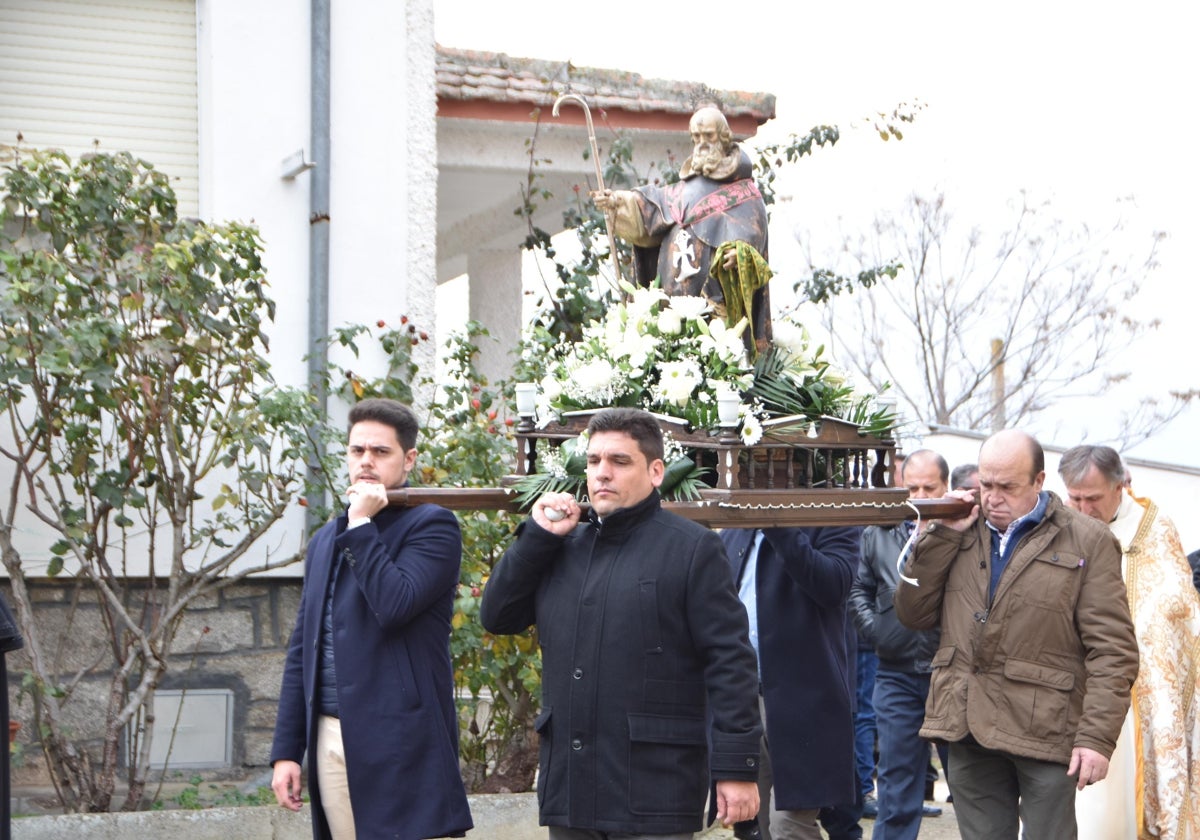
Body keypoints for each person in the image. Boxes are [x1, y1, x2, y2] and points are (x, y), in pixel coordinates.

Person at [479, 407, 762, 839]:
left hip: (655, 788)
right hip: (571, 789)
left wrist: (736, 769)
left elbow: (730, 664)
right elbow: (497, 617)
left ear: (655, 471)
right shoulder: (559, 543)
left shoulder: (693, 548)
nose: (602, 473)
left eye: (619, 461)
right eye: (593, 461)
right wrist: (536, 538)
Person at [894, 429, 1138, 840]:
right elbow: (912, 613)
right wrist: (942, 535)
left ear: (1039, 482)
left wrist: (1096, 738)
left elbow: (1113, 650)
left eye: (1007, 487)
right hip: (966, 724)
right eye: (986, 484)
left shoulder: (1089, 539)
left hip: (1046, 730)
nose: (992, 497)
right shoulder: (959, 527)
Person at [270, 398, 473, 840]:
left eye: (380, 452)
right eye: (357, 450)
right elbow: (304, 647)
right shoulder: (327, 538)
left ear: (409, 459)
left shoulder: (432, 526)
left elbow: (394, 603)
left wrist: (361, 524)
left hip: (401, 740)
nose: (366, 461)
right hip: (328, 739)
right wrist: (287, 751)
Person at [1058, 444, 1200, 840]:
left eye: (1094, 498)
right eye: (1075, 497)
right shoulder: (1058, 527)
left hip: (1131, 690)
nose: (1083, 509)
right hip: (1068, 683)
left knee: (1114, 808)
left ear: (1122, 486)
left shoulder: (1152, 528)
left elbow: (1175, 606)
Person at [719, 523, 861, 839]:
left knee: (790, 826)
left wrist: (778, 526)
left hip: (803, 704)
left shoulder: (833, 523)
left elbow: (833, 586)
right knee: (752, 825)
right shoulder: (732, 532)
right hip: (740, 701)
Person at [592, 104, 772, 352]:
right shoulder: (683, 189)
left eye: (708, 136)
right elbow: (651, 207)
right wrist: (616, 202)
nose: (702, 143)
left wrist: (740, 253)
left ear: (724, 138)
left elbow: (753, 230)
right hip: (672, 309)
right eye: (696, 137)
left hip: (718, 309)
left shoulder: (744, 192)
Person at [849, 449, 949, 840]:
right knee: (896, 780)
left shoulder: (963, 532)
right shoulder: (879, 532)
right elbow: (860, 587)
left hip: (949, 671)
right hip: (895, 671)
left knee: (969, 779)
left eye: (930, 487)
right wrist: (876, 631)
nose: (921, 495)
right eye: (912, 487)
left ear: (946, 486)